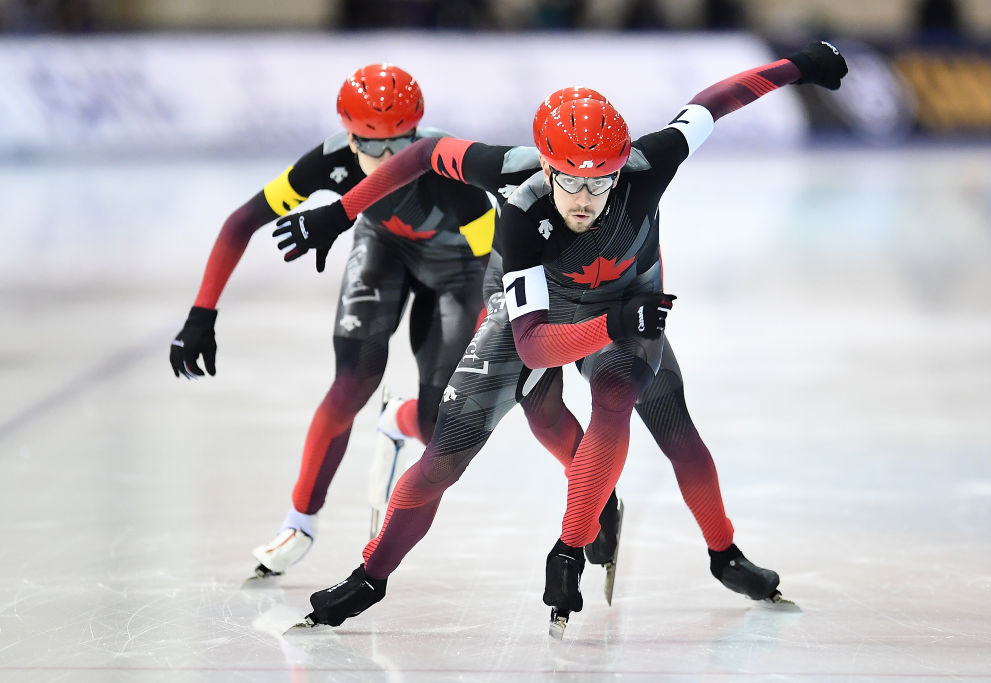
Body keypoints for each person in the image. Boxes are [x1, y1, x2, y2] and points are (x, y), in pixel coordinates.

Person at [275, 42, 849, 633]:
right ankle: (369, 579)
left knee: (653, 416)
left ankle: (715, 553)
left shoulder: (651, 165)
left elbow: (714, 101)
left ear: (621, 165)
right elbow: (530, 346)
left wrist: (798, 66)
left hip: (626, 308)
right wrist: (342, 211)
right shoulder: (519, 198)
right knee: (446, 459)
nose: (584, 199)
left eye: (601, 183)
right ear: (545, 165)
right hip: (548, 318)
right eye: (569, 182)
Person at [169, 63, 498, 580]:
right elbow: (242, 221)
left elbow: (493, 267)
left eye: (401, 144)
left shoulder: (447, 171)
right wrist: (200, 314)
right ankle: (299, 521)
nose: (390, 161)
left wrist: (499, 336)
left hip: (458, 270)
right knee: (350, 383)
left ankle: (400, 419)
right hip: (383, 252)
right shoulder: (329, 163)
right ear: (348, 136)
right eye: (372, 146)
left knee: (440, 429)